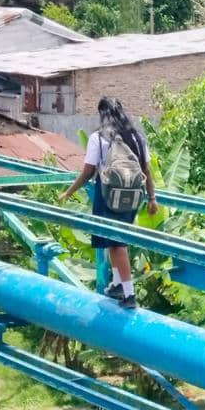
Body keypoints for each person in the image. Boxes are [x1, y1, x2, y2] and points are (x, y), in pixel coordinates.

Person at [59, 97, 156, 310]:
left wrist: (68, 192)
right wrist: (151, 198)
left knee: (115, 244)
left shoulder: (98, 137)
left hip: (108, 195)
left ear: (102, 114)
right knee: (117, 242)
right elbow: (146, 170)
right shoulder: (136, 137)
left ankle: (129, 295)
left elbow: (88, 172)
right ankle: (117, 284)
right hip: (132, 196)